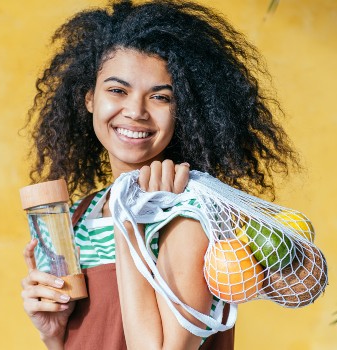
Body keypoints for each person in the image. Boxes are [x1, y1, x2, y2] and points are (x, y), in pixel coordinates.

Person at [20, 1, 300, 348]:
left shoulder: (188, 212)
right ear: (89, 97)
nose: (136, 111)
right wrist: (53, 333)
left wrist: (130, 221)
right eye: (117, 90)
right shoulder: (79, 216)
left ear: (185, 110)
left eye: (160, 97)